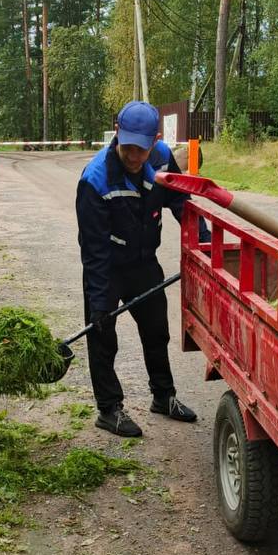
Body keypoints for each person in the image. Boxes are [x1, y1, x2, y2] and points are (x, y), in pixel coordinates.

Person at [76, 99, 198, 437]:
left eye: (140, 150)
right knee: (103, 336)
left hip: (144, 262)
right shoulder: (95, 179)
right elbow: (94, 249)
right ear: (117, 132)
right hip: (108, 266)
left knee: (157, 330)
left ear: (155, 140)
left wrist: (203, 245)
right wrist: (100, 301)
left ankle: (163, 396)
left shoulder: (160, 157)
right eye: (127, 147)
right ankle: (109, 409)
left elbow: (182, 204)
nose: (133, 156)